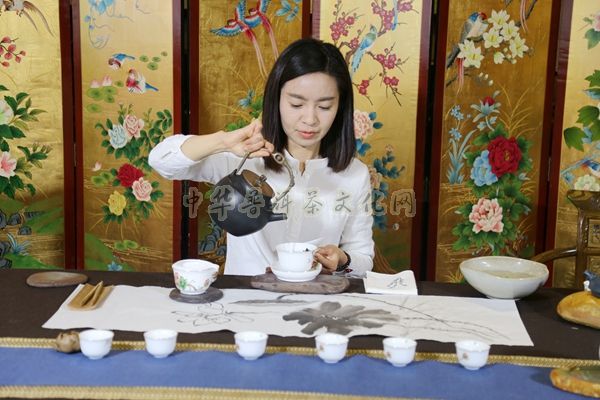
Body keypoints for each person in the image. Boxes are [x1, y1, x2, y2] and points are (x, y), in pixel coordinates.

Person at [149, 37, 374, 276]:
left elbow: (363, 259)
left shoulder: (354, 175)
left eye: (325, 107)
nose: (310, 119)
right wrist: (223, 142)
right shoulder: (244, 157)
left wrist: (343, 260)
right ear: (276, 99)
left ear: (340, 107)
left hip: (314, 296)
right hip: (244, 295)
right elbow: (161, 161)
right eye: (296, 104)